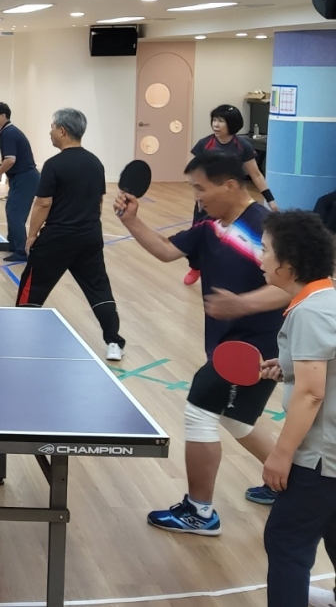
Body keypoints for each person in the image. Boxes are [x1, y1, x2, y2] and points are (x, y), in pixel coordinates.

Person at [115, 151, 289, 534]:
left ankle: (199, 512)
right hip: (228, 342)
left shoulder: (266, 229)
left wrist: (241, 304)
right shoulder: (210, 226)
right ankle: (291, 483)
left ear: (230, 185)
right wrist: (132, 221)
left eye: (200, 188)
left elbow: (292, 287)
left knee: (200, 410)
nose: (196, 196)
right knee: (236, 418)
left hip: (255, 348)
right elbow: (166, 250)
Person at [254, 210, 336, 607]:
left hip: (319, 459)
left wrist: (281, 455)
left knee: (286, 542)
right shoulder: (330, 298)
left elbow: (311, 394)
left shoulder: (309, 312)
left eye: (265, 250)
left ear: (288, 264)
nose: (260, 257)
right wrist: (288, 366)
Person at [15, 109, 125, 360]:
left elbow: (43, 203)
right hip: (90, 236)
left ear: (62, 131)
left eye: (52, 127)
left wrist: (31, 236)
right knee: (99, 289)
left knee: (33, 287)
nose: (50, 132)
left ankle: (19, 334)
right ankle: (114, 343)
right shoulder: (96, 163)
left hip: (57, 238)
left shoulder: (54, 165)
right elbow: (98, 202)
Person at [183, 104, 278, 286]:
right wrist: (199, 195)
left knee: (230, 237)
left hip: (232, 200)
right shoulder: (205, 144)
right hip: (208, 199)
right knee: (198, 233)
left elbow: (256, 174)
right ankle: (195, 267)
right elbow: (193, 174)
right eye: (214, 120)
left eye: (221, 121)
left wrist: (270, 199)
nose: (216, 124)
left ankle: (223, 268)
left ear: (232, 124)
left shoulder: (243, 146)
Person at [0, 102, 39, 262]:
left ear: (2, 116)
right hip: (21, 178)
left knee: (15, 214)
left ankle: (21, 251)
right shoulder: (7, 132)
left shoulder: (8, 133)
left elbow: (10, 159)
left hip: (25, 178)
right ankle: (13, 244)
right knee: (12, 210)